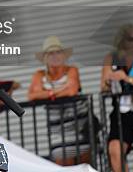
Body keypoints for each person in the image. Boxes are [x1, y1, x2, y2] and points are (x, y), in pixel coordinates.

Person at [28, 36, 90, 166]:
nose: (55, 56)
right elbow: (32, 95)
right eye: (51, 53)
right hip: (58, 131)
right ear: (45, 58)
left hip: (80, 126)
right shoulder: (39, 75)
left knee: (85, 166)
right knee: (63, 164)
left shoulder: (72, 70)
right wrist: (55, 91)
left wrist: (47, 94)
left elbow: (72, 90)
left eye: (58, 52)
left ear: (63, 55)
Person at [101, 24, 133, 172]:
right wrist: (109, 81)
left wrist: (127, 78)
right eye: (131, 39)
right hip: (122, 113)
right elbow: (104, 86)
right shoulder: (112, 58)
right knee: (114, 150)